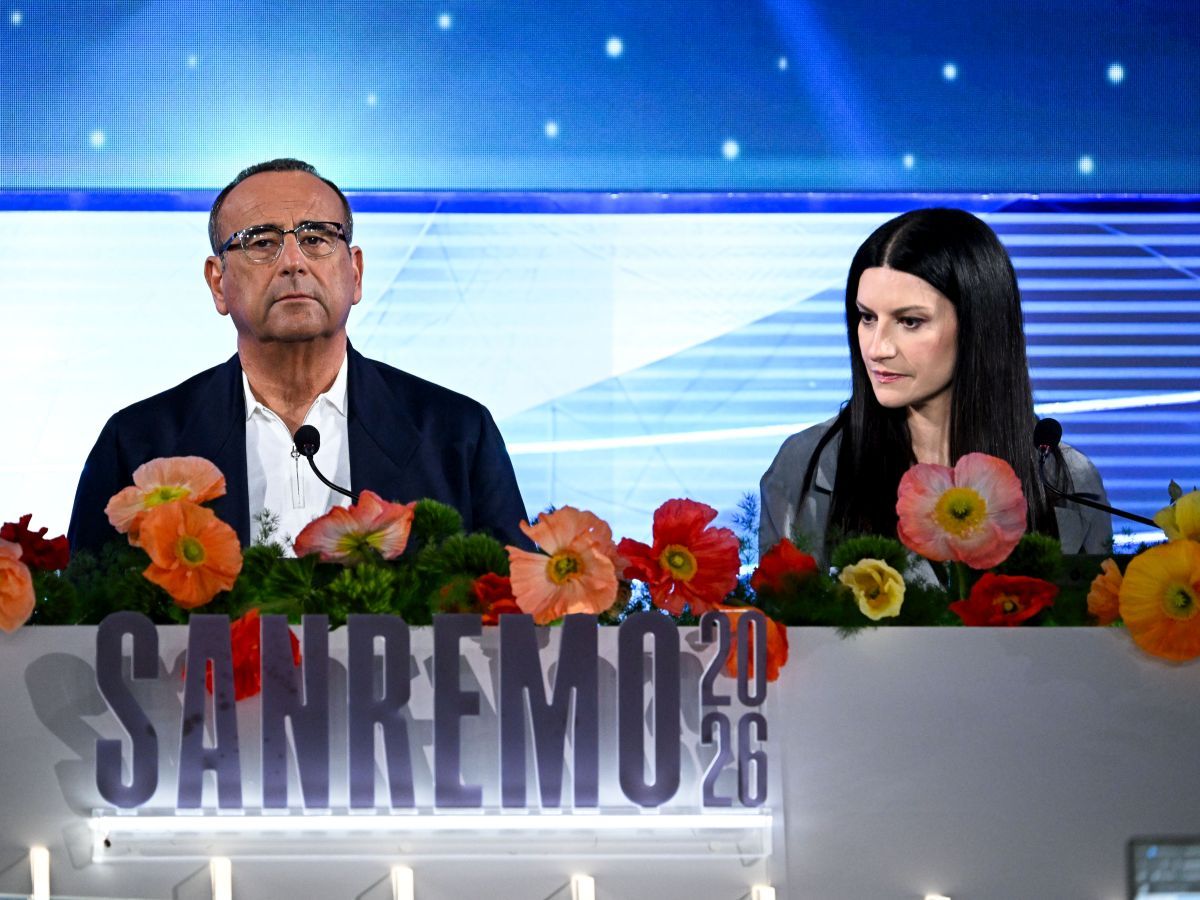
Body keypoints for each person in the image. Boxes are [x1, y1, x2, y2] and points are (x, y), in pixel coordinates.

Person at [69, 158, 530, 554]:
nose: (293, 262)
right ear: (217, 282)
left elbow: (513, 613)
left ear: (355, 272)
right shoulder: (138, 445)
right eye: (261, 242)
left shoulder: (456, 435)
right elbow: (86, 617)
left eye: (316, 238)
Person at [759, 207, 1111, 563]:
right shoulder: (804, 465)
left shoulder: (1067, 481)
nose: (878, 349)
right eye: (867, 317)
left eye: (910, 321)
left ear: (978, 325)